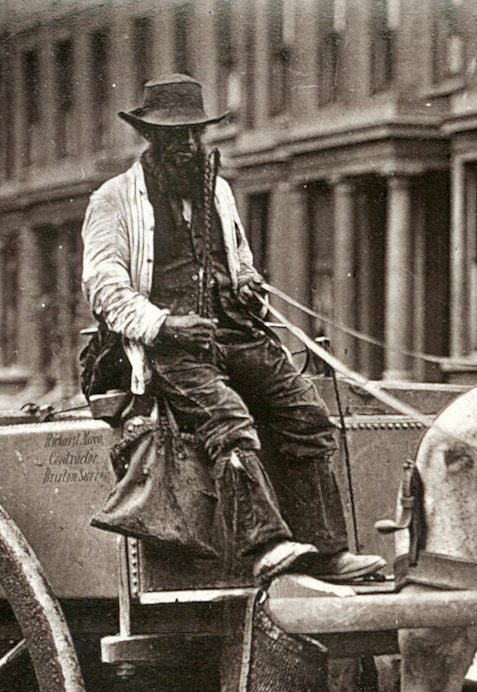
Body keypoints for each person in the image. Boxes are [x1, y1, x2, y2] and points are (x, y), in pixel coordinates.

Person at [81, 74, 384, 584]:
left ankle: (328, 552)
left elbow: (239, 261)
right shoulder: (114, 200)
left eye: (195, 135)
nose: (188, 146)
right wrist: (166, 325)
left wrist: (246, 284)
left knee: (305, 413)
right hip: (166, 350)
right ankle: (265, 545)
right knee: (228, 421)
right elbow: (104, 288)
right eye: (174, 137)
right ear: (150, 139)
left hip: (234, 334)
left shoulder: (217, 190)